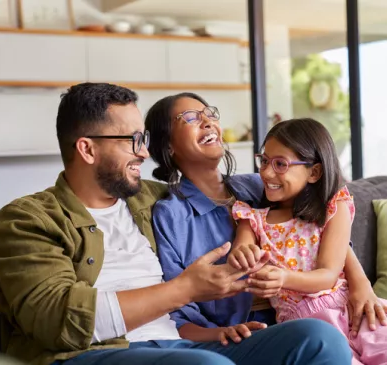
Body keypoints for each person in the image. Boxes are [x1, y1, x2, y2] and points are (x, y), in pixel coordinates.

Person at [0, 82, 352, 365]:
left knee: (320, 339)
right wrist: (185, 289)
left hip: (181, 345)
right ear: (87, 149)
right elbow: (57, 321)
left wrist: (359, 283)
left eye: (143, 140)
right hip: (95, 353)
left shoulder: (150, 198)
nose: (144, 152)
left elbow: (316, 216)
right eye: (132, 141)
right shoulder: (26, 221)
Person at [145, 92, 387, 346]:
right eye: (191, 118)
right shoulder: (171, 215)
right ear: (167, 145)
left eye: (209, 114)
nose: (207, 122)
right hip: (251, 335)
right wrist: (217, 334)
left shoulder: (259, 183)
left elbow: (320, 231)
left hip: (318, 311)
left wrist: (361, 284)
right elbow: (175, 307)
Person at [229, 118, 387, 364]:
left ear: (314, 172)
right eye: (264, 161)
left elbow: (328, 274)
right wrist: (242, 255)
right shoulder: (252, 218)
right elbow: (242, 249)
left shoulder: (334, 208)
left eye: (280, 164)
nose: (267, 172)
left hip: (352, 309)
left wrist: (284, 279)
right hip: (305, 327)